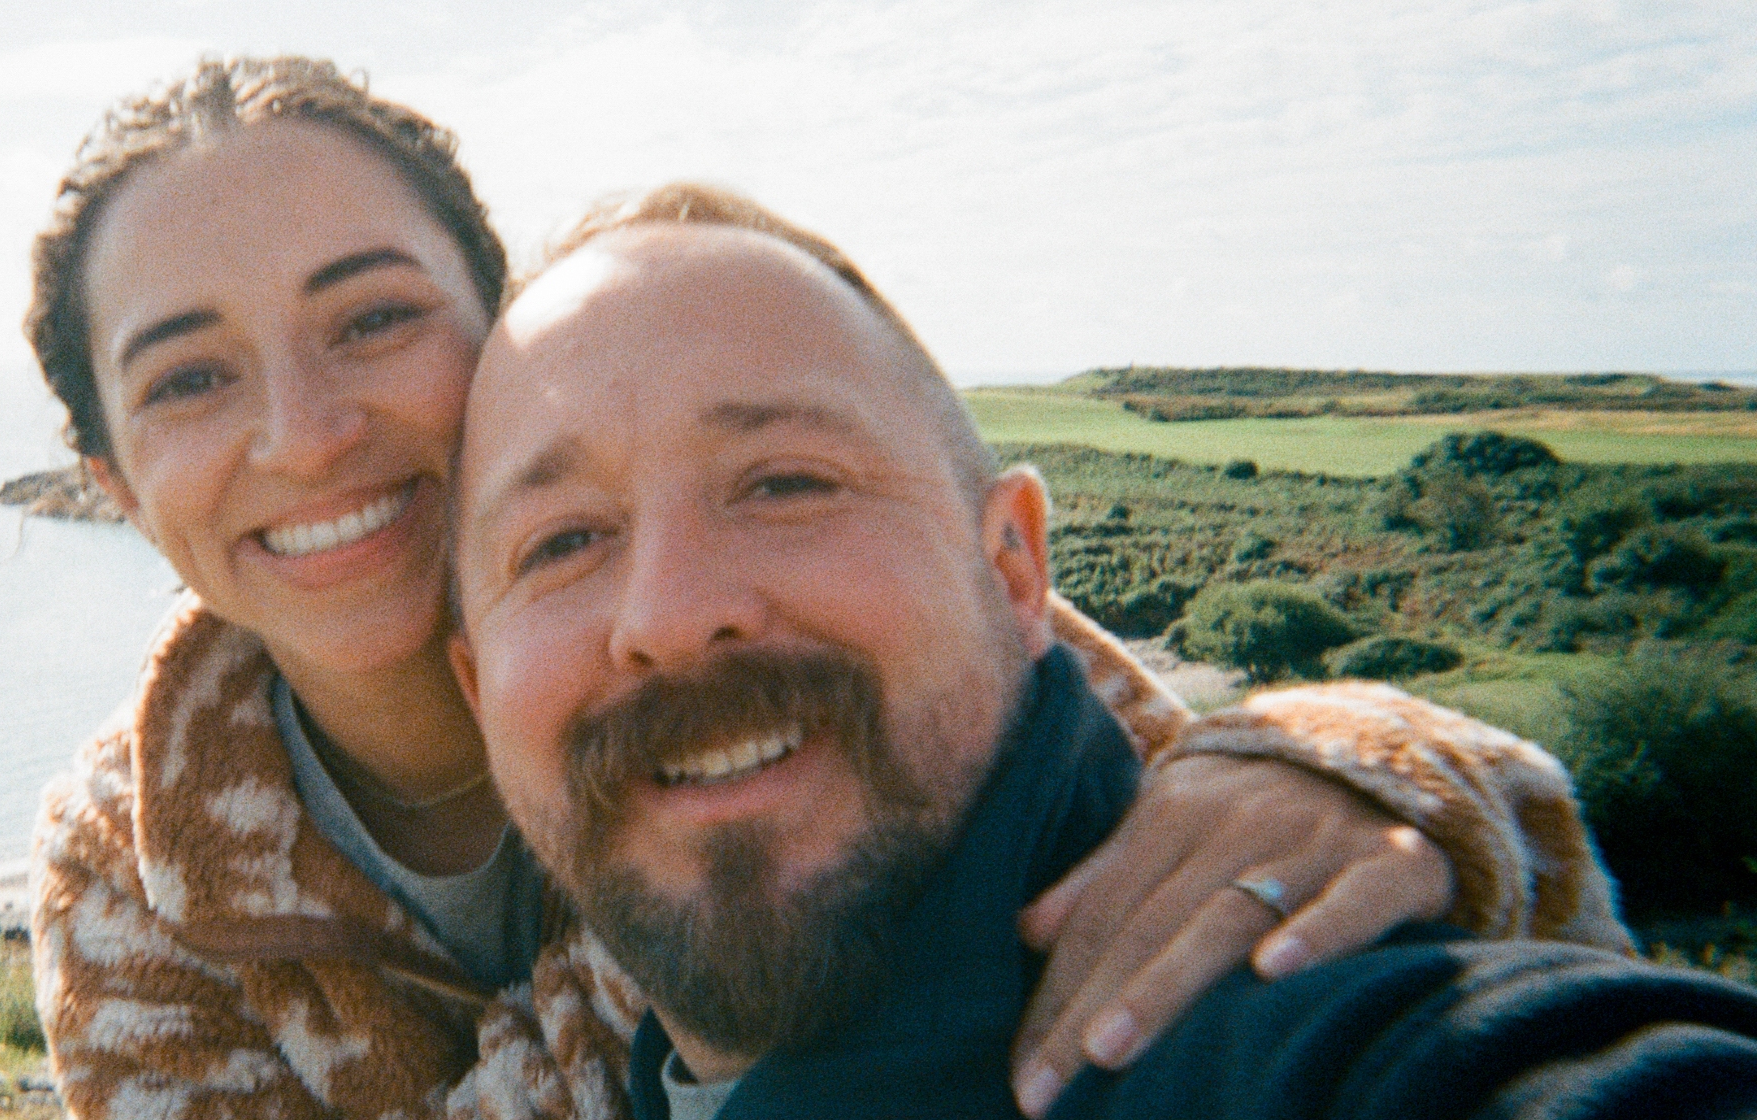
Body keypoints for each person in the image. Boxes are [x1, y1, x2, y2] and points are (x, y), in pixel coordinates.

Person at [21, 57, 1627, 1120]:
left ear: (506, 333)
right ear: (110, 483)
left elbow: (1063, 731)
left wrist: (1336, 781)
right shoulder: (133, 872)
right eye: (187, 380)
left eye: (372, 320)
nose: (307, 434)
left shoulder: (770, 612)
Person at [446, 184, 1757, 1120]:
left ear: (1016, 571)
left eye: (786, 479)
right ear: (474, 694)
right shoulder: (561, 1074)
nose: (670, 611)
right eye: (559, 543)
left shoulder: (1305, 1040)